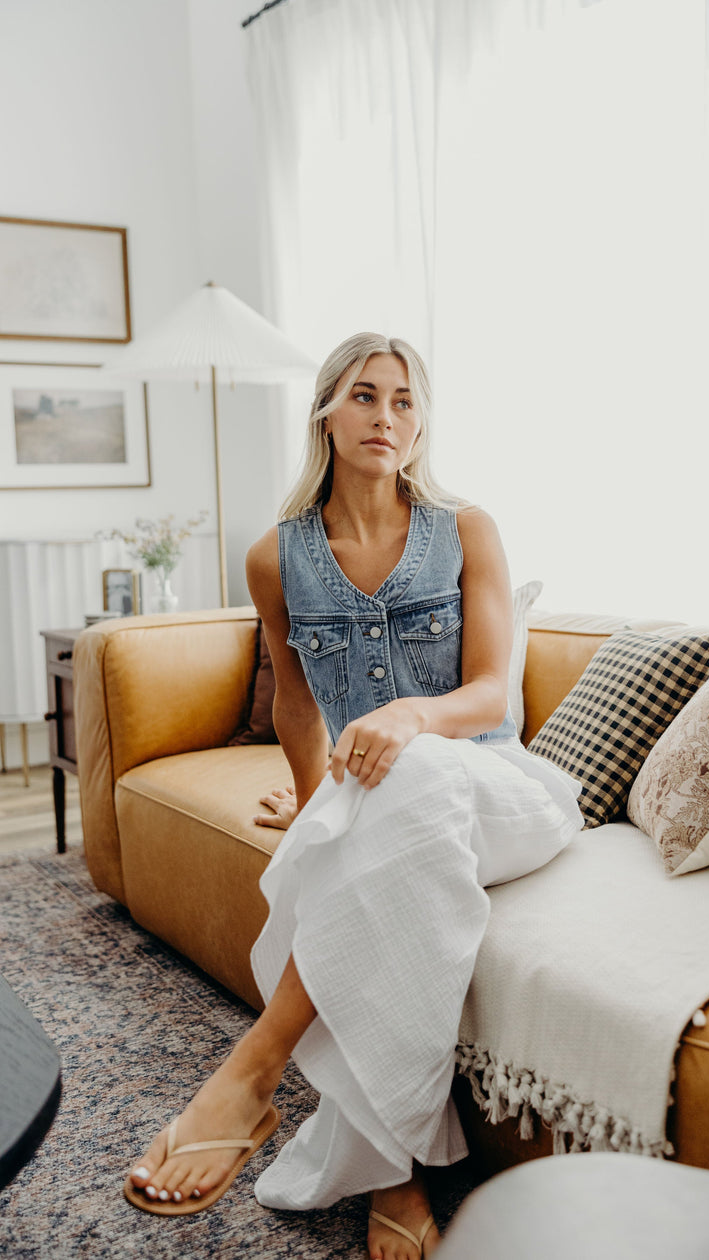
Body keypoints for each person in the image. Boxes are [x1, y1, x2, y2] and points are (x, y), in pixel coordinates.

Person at [124, 333, 583, 1258]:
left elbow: (491, 693)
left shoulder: (466, 529)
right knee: (376, 859)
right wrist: (313, 810)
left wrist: (411, 718)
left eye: (406, 402)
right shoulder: (275, 559)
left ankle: (253, 1068)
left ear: (421, 424)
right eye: (366, 396)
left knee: (407, 774)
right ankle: (400, 1175)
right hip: (389, 809)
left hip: (502, 790)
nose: (387, 417)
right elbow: (297, 703)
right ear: (326, 411)